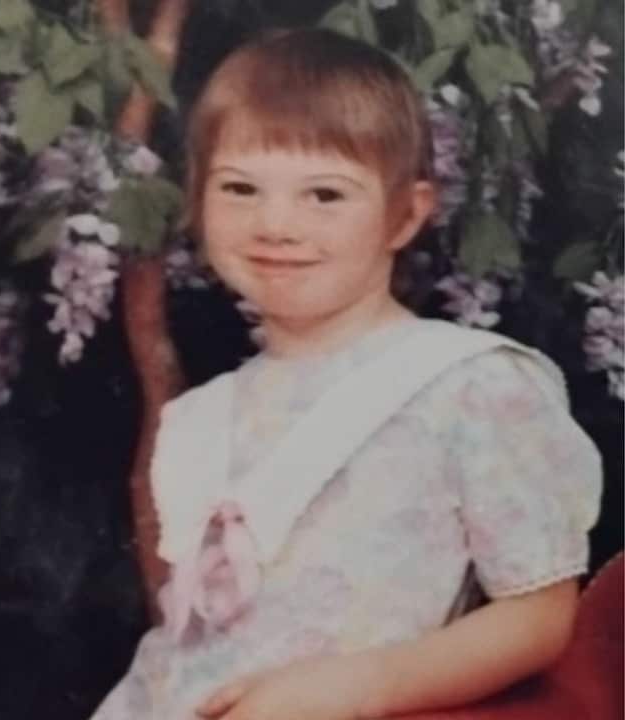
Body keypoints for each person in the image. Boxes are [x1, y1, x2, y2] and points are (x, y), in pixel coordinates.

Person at [91, 29, 602, 720]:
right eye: (240, 187)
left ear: (405, 214)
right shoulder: (203, 415)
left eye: (325, 195)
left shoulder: (468, 386)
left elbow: (539, 617)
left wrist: (356, 689)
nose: (275, 223)